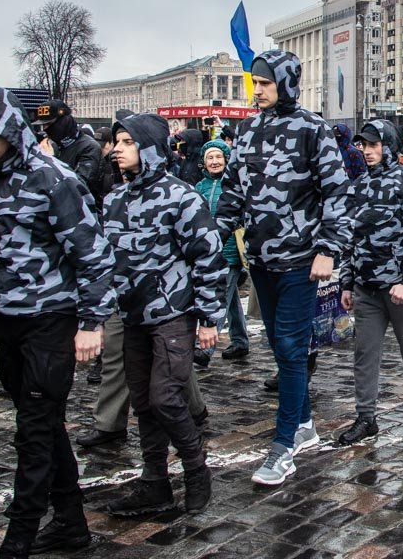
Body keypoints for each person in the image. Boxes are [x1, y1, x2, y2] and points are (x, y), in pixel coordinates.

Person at [0, 88, 116, 558]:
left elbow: (92, 253)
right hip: (8, 317)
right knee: (41, 423)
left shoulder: (53, 178)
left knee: (33, 429)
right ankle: (71, 523)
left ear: (7, 130)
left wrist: (91, 321)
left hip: (52, 317)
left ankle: (19, 537)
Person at [216, 50, 351, 487]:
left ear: (288, 82)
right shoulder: (247, 128)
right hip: (260, 258)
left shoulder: (314, 129)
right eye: (256, 84)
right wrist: (213, 233)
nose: (259, 91)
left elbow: (336, 193)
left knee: (291, 349)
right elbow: (234, 190)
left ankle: (283, 447)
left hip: (301, 260)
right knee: (278, 343)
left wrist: (329, 248)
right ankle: (306, 423)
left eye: (267, 83)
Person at [102, 114, 224, 516]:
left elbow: (208, 256)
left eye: (127, 141)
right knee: (142, 401)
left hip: (173, 313)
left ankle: (196, 471)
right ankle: (153, 481)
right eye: (116, 141)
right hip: (133, 315)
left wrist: (209, 318)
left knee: (166, 397)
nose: (117, 148)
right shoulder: (114, 199)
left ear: (150, 147)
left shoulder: (181, 197)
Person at [336, 120, 403, 444]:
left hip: (399, 289)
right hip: (367, 288)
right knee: (364, 354)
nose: (366, 151)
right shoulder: (358, 186)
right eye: (363, 145)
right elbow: (351, 238)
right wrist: (347, 283)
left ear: (388, 146)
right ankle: (366, 417)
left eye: (374, 145)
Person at [195, 139, 249, 362]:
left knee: (220, 297)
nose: (215, 162)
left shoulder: (234, 184)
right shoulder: (199, 187)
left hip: (230, 250)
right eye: (210, 157)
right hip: (208, 251)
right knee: (231, 297)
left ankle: (205, 349)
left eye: (219, 157)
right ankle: (240, 340)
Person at [32, 100, 104, 206]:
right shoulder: (54, 145)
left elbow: (79, 186)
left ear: (63, 122)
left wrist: (51, 160)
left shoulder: (89, 147)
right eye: (44, 126)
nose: (46, 130)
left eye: (49, 125)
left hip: (82, 213)